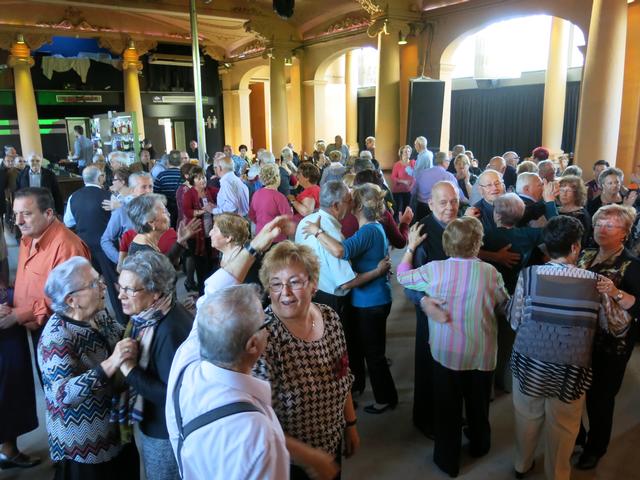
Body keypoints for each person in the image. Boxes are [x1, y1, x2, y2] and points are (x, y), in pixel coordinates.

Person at [398, 217, 508, 478]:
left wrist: (411, 248)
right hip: (481, 353)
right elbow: (504, 304)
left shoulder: (434, 269)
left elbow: (402, 276)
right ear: (479, 243)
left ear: (446, 243)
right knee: (479, 404)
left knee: (447, 408)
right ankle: (480, 445)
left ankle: (447, 460)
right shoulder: (490, 273)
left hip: (447, 353)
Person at [0, 187, 90, 470]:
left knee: (65, 394)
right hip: (36, 328)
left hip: (62, 332)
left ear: (49, 213)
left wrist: (20, 313)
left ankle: (73, 456)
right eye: (16, 214)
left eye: (26, 213)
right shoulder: (29, 237)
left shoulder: (67, 245)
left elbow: (71, 297)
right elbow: (30, 284)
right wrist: (9, 304)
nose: (19, 221)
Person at [254, 240, 359, 479]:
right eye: (276, 284)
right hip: (288, 462)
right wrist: (309, 458)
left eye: (295, 282)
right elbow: (259, 422)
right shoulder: (263, 338)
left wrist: (350, 424)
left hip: (331, 446)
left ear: (313, 284)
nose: (285, 293)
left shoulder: (329, 317)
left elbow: (342, 374)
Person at [167, 283, 289, 479]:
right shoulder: (258, 434)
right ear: (252, 344)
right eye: (265, 322)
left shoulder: (185, 367)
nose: (268, 329)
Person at [38, 257, 139, 479]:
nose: (103, 286)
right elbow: (62, 395)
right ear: (72, 300)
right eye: (94, 284)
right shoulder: (56, 337)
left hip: (114, 427)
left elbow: (120, 334)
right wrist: (110, 364)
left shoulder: (98, 314)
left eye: (99, 279)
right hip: (84, 446)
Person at [303, 183, 398, 414]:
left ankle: (385, 398)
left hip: (371, 301)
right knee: (366, 349)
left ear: (358, 206)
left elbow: (341, 251)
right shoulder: (372, 228)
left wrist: (316, 231)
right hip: (371, 299)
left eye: (351, 200)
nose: (348, 203)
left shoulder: (369, 231)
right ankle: (370, 390)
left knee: (373, 354)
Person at [115, 250, 194, 480]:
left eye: (130, 290)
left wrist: (129, 369)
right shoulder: (149, 316)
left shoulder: (170, 330)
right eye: (120, 287)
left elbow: (171, 397)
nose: (120, 296)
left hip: (165, 433)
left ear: (156, 291)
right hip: (158, 426)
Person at [575, 205, 640, 470]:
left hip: (611, 343)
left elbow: (637, 307)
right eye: (600, 222)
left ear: (624, 233)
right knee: (572, 389)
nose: (602, 228)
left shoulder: (632, 265)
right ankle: (576, 436)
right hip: (578, 336)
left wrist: (615, 292)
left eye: (610, 225)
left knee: (600, 398)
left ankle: (595, 447)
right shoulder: (584, 253)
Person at [120, 194, 199, 270]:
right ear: (151, 222)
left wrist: (180, 242)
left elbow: (162, 264)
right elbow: (161, 270)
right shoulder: (145, 255)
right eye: (164, 212)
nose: (169, 214)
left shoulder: (144, 244)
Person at [63, 166, 111, 274]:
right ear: (99, 178)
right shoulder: (109, 196)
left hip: (83, 246)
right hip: (106, 246)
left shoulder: (73, 196)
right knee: (111, 282)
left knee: (89, 280)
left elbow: (68, 222)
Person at [181, 166, 218, 293]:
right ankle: (202, 292)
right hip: (196, 234)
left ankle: (211, 291)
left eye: (203, 177)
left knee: (212, 263)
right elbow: (187, 211)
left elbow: (222, 198)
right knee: (200, 265)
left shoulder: (211, 191)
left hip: (210, 232)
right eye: (198, 178)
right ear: (193, 180)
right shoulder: (189, 193)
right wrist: (204, 210)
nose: (202, 180)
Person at [412, 151, 466, 221]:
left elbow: (413, 192)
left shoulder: (422, 173)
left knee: (421, 229)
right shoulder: (448, 176)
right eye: (448, 161)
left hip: (420, 209)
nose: (449, 163)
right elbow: (459, 196)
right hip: (439, 210)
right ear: (444, 162)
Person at [249, 164, 293, 243]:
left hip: (261, 235)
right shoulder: (279, 197)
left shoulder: (256, 193)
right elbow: (287, 218)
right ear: (276, 177)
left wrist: (263, 223)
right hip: (276, 237)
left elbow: (252, 215)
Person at [558, 175, 591, 247]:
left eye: (568, 191)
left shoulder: (581, 215)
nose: (564, 194)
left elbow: (581, 241)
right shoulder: (555, 209)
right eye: (561, 190)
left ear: (577, 194)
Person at [154, 150, 183, 229]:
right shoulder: (185, 176)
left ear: (168, 162)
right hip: (182, 211)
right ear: (181, 162)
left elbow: (155, 195)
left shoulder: (161, 176)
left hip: (166, 210)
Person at [391, 145, 415, 221]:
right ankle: (395, 225)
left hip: (409, 190)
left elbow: (416, 176)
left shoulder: (413, 163)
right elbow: (393, 177)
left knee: (407, 208)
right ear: (401, 153)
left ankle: (405, 224)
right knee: (397, 209)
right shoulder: (397, 164)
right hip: (398, 190)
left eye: (408, 151)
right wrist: (403, 181)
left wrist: (411, 186)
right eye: (405, 151)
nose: (407, 153)